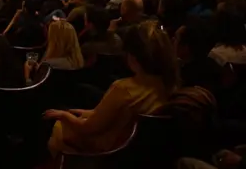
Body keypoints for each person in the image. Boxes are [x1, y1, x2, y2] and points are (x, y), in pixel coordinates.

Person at [44, 20, 179, 156]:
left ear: (132, 56)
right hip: (136, 152)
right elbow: (115, 116)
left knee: (58, 128)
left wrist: (64, 115)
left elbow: (87, 128)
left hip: (108, 150)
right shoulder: (170, 86)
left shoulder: (123, 88)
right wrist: (87, 113)